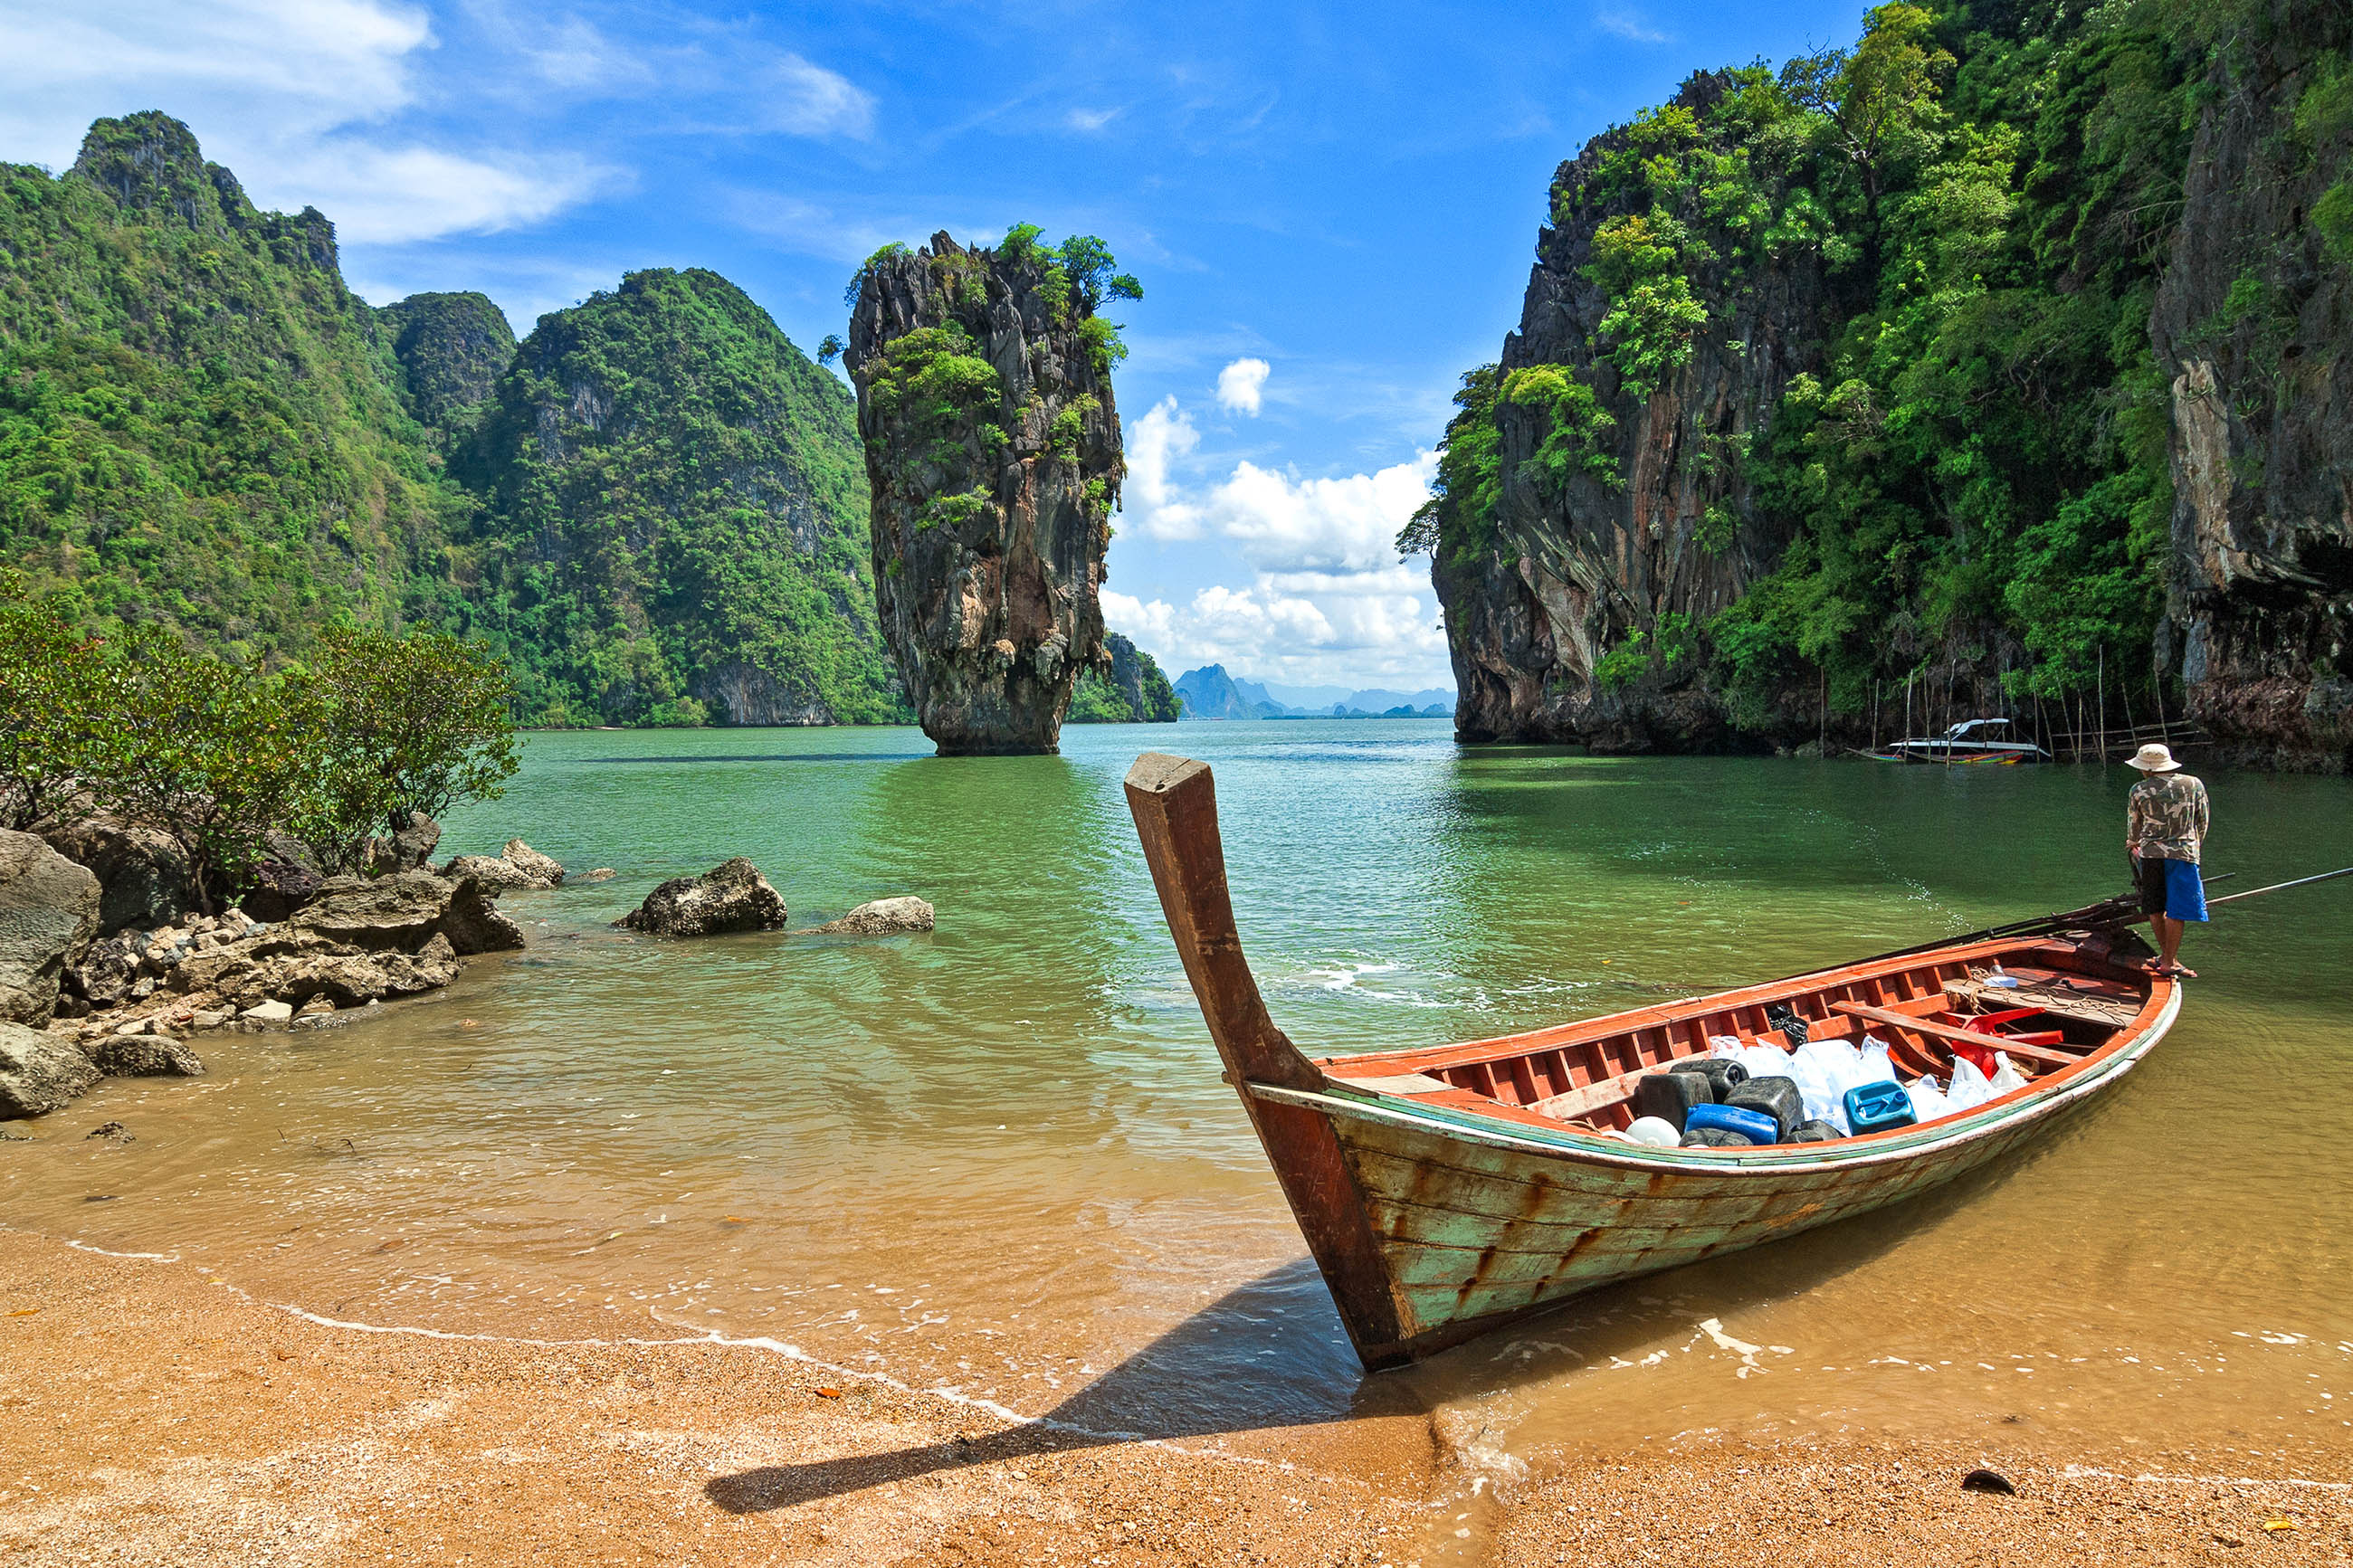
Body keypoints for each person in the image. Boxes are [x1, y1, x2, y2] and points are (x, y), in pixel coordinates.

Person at [2124, 743, 2208, 978]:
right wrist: (2193, 845)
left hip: (2151, 854)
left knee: (2155, 906)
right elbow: (2202, 821)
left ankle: (2167, 958)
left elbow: (2134, 827)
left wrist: (2133, 842)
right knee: (2177, 909)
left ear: (2147, 769)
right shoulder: (2193, 784)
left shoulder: (2138, 790)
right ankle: (2168, 959)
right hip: (2184, 853)